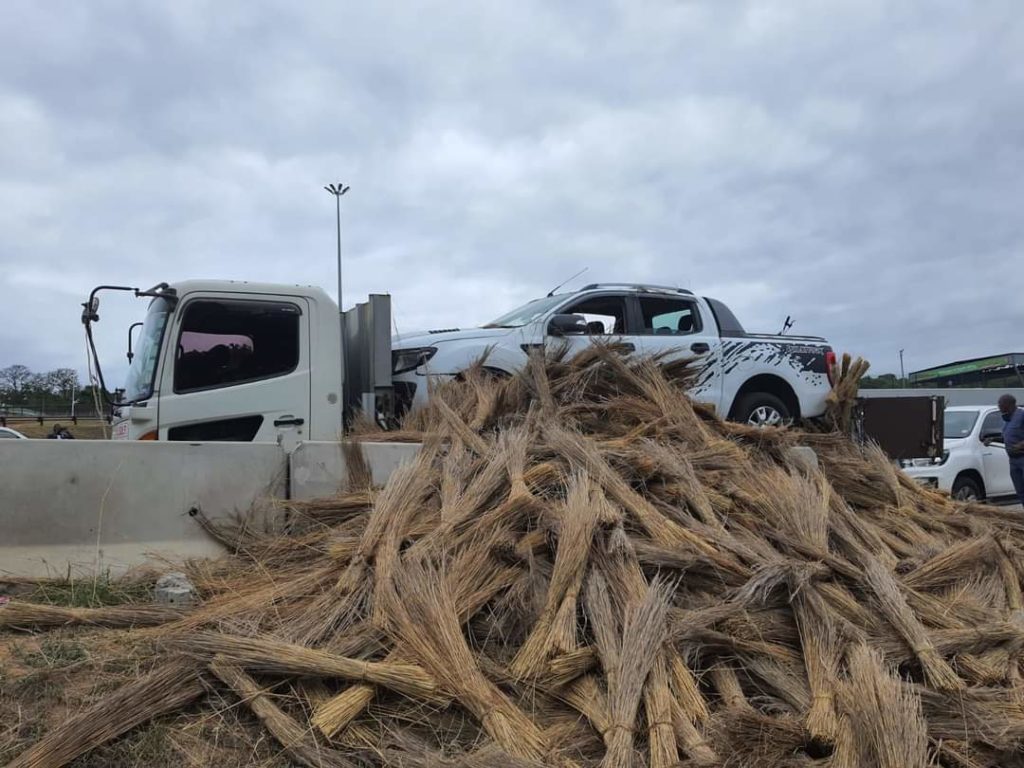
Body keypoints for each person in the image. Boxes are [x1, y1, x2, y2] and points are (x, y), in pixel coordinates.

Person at [996, 394, 1024, 506]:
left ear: (1009, 404)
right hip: (1013, 461)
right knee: (1020, 491)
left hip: (1022, 458)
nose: (999, 407)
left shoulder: (1022, 416)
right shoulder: (1007, 419)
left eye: (1001, 404)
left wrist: (1021, 444)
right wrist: (992, 439)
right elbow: (1007, 436)